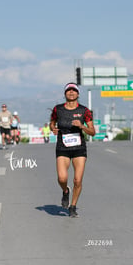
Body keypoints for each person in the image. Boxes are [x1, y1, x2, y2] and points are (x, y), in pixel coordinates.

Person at [50, 82, 95, 218]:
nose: (71, 92)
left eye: (74, 90)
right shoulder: (58, 109)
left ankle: (73, 206)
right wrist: (53, 128)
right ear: (65, 94)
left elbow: (92, 132)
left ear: (78, 94)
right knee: (62, 178)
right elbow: (52, 122)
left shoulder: (84, 111)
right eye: (68, 90)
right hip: (62, 146)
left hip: (79, 148)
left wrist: (82, 126)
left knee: (77, 180)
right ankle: (65, 191)